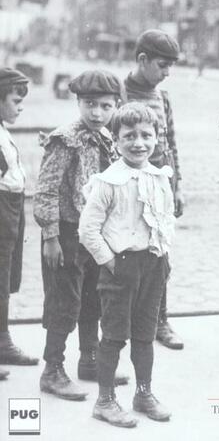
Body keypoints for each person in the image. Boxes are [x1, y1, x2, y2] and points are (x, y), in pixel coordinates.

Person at [33, 70, 128, 401]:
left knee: (93, 298)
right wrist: (49, 236)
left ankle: (90, 361)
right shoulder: (65, 139)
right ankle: (52, 369)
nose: (97, 113)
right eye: (90, 104)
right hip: (67, 233)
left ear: (116, 105)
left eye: (105, 106)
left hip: (93, 234)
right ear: (77, 102)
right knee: (65, 300)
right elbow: (45, 190)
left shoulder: (106, 138)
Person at [79, 102, 174, 428]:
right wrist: (109, 262)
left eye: (146, 135)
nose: (138, 142)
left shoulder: (159, 176)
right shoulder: (107, 182)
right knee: (115, 336)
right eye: (129, 135)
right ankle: (105, 401)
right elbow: (87, 230)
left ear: (157, 138)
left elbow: (164, 219)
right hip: (120, 268)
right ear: (115, 139)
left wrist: (164, 257)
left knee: (145, 335)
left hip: (153, 265)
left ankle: (143, 393)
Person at [118, 29, 184, 350]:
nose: (167, 73)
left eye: (172, 66)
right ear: (142, 59)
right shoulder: (118, 93)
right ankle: (125, 322)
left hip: (160, 190)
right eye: (162, 65)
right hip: (128, 190)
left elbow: (171, 144)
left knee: (161, 258)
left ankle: (160, 320)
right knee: (128, 255)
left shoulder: (164, 97)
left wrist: (178, 186)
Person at [0, 67, 38, 379]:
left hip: (11, 208)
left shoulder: (3, 131)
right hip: (2, 208)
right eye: (15, 100)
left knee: (5, 276)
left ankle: (2, 341)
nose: (20, 106)